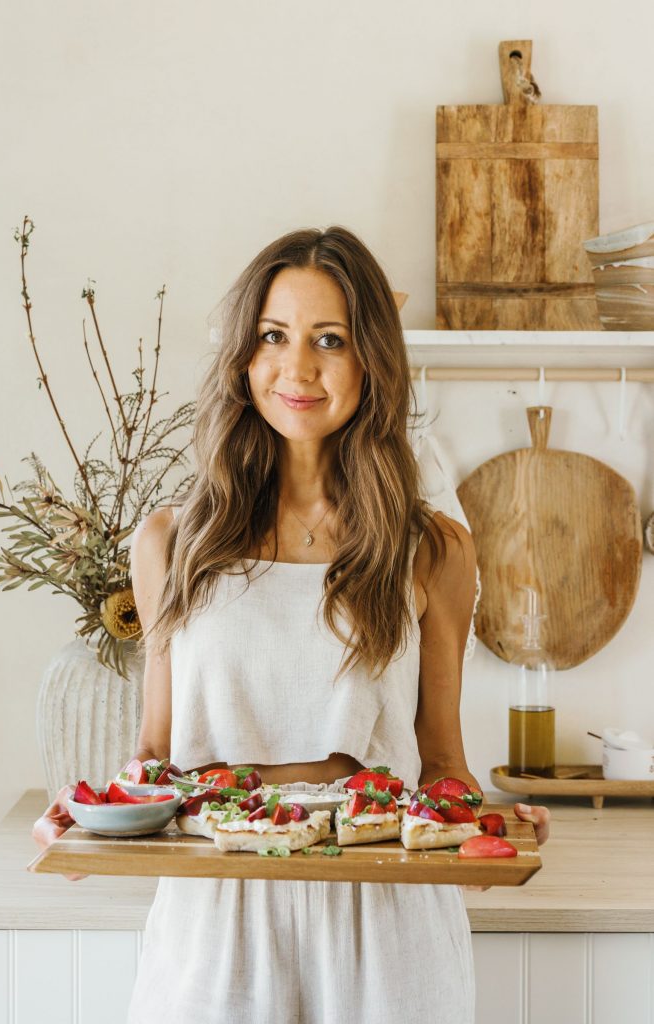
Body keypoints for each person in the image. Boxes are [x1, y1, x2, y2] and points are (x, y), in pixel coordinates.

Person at [33, 225, 551, 1023]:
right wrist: (87, 819)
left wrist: (481, 829)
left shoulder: (432, 548)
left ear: (371, 361)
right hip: (215, 927)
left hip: (385, 933)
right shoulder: (173, 541)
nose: (297, 368)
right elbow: (155, 756)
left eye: (330, 340)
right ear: (244, 356)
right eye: (273, 336)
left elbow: (439, 759)